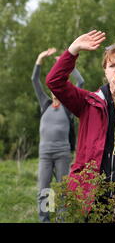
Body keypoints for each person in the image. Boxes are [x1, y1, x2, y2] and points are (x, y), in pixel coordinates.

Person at [46, 31, 115, 223]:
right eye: (112, 65)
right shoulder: (88, 102)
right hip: (92, 195)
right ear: (105, 71)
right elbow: (54, 82)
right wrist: (73, 50)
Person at [32, 47, 84, 223]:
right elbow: (35, 80)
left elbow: (81, 82)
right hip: (45, 154)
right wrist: (40, 58)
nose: (56, 89)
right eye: (54, 86)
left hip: (63, 154)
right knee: (44, 190)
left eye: (60, 86)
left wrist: (66, 64)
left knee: (63, 191)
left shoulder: (68, 107)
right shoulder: (45, 103)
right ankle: (44, 220)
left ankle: (62, 220)